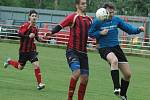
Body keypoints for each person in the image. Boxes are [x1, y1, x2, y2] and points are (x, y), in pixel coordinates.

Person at [88, 2, 145, 100]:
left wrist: (138, 29)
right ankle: (116, 87)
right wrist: (100, 33)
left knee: (127, 74)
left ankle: (123, 94)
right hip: (104, 48)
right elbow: (90, 33)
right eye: (109, 12)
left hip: (116, 48)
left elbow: (128, 28)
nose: (111, 14)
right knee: (114, 61)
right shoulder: (98, 21)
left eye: (112, 12)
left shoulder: (116, 20)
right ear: (104, 12)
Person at [46, 0, 92, 100]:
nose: (85, 5)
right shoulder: (73, 17)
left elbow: (93, 33)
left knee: (85, 79)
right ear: (77, 5)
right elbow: (60, 25)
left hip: (83, 53)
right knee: (76, 72)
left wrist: (101, 34)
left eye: (85, 3)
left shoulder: (89, 19)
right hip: (72, 51)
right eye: (82, 3)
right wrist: (51, 33)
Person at [4, 10, 45, 90]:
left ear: (37, 17)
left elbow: (36, 37)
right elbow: (19, 34)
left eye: (35, 16)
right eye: (32, 16)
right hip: (23, 51)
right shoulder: (26, 25)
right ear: (29, 17)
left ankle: (39, 84)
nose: (34, 17)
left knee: (36, 65)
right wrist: (28, 36)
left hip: (32, 51)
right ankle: (9, 61)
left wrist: (41, 39)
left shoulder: (35, 28)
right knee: (20, 67)